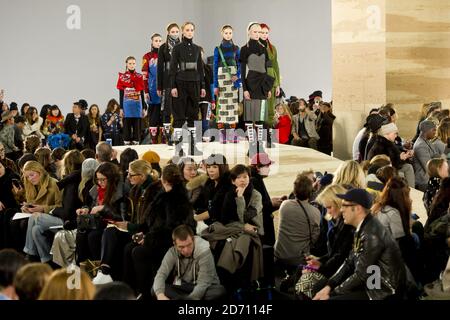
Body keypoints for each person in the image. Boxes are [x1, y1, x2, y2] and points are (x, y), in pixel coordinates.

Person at [313, 189, 406, 300]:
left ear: (357, 208)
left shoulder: (372, 234)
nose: (341, 209)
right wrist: (329, 285)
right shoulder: (363, 227)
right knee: (319, 287)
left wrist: (332, 293)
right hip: (372, 284)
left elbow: (361, 275)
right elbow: (349, 262)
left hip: (382, 291)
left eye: (344, 205)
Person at [130, 164, 196, 299]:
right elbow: (152, 223)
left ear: (163, 180)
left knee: (138, 252)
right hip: (163, 238)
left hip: (171, 242)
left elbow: (172, 228)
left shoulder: (172, 199)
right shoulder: (167, 196)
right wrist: (144, 233)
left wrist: (148, 238)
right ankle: (138, 290)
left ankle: (146, 292)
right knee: (130, 248)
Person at [304, 184, 354, 297]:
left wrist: (320, 267)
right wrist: (319, 261)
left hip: (343, 275)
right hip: (337, 270)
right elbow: (335, 254)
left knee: (306, 288)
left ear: (339, 203)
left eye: (329, 207)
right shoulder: (339, 222)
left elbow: (341, 258)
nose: (328, 212)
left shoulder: (348, 225)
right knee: (303, 283)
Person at [153, 224, 225, 300]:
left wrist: (191, 298)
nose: (186, 250)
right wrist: (160, 296)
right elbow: (161, 274)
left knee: (219, 291)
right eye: (181, 247)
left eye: (189, 245)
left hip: (204, 287)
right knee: (156, 289)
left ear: (193, 239)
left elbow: (203, 283)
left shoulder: (204, 251)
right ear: (174, 244)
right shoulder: (172, 252)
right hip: (185, 287)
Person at [75, 162, 126, 263]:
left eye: (103, 179)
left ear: (111, 178)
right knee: (81, 234)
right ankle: (84, 267)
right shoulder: (97, 189)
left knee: (93, 236)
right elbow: (92, 207)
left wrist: (103, 208)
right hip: (99, 223)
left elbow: (121, 218)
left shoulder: (120, 191)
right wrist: (85, 209)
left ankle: (98, 267)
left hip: (113, 226)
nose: (100, 182)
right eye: (98, 179)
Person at [169, 22, 206, 157]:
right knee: (179, 117)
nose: (189, 32)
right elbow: (173, 68)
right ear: (182, 32)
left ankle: (192, 147)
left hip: (195, 83)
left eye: (191, 30)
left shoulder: (197, 49)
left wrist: (202, 86)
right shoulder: (177, 48)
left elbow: (200, 69)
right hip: (180, 83)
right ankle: (178, 149)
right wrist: (173, 86)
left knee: (193, 116)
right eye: (187, 30)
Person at [240, 22, 274, 157]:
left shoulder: (264, 47)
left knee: (260, 118)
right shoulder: (244, 49)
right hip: (251, 82)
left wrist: (269, 87)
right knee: (249, 117)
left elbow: (267, 68)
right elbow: (242, 71)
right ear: (248, 32)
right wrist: (245, 88)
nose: (257, 34)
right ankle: (252, 146)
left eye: (259, 32)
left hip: (263, 84)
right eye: (255, 32)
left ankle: (259, 145)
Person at [274, 174, 321, 270]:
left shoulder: (284, 205)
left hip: (279, 254)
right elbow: (315, 239)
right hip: (298, 259)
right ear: (311, 192)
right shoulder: (315, 212)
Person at [21, 161, 62, 263]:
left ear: (40, 172)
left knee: (33, 217)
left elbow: (61, 207)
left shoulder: (54, 183)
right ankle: (47, 260)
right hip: (42, 218)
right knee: (36, 230)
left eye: (32, 174)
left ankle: (30, 253)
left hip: (57, 218)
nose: (30, 179)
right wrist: (27, 208)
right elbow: (33, 204)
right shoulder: (31, 186)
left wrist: (43, 208)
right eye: (27, 177)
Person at [213, 25, 241, 144]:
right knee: (222, 106)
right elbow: (214, 66)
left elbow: (240, 64)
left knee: (233, 106)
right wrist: (215, 85)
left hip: (233, 79)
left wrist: (238, 75)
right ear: (222, 33)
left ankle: (232, 133)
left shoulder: (236, 48)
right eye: (226, 33)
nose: (228, 35)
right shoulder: (217, 48)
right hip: (221, 79)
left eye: (230, 33)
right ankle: (222, 134)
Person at [368, 122, 415, 187]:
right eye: (395, 133)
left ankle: (410, 190)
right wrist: (401, 158)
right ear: (387, 133)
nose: (396, 136)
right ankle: (410, 191)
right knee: (407, 169)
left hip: (388, 169)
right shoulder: (380, 147)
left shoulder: (387, 143)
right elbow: (386, 166)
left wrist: (403, 156)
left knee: (408, 167)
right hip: (381, 173)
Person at [157, 23, 181, 146]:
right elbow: (159, 68)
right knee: (167, 110)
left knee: (179, 110)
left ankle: (177, 137)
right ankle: (167, 137)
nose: (175, 34)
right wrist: (159, 86)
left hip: (180, 81)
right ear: (168, 32)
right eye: (173, 31)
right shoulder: (163, 48)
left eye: (177, 31)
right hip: (167, 82)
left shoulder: (182, 46)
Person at [117, 56, 146, 145]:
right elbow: (121, 93)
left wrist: (144, 107)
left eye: (133, 63)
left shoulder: (139, 76)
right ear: (126, 64)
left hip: (137, 106)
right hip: (127, 106)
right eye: (130, 63)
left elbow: (142, 93)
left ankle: (137, 146)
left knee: (137, 129)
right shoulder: (122, 77)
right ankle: (126, 147)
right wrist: (121, 108)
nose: (132, 65)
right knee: (126, 129)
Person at [143, 33, 163, 145]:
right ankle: (154, 140)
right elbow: (144, 76)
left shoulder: (166, 55)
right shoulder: (147, 57)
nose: (158, 43)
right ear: (152, 42)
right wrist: (146, 91)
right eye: (156, 41)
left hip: (165, 90)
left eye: (160, 41)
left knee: (165, 115)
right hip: (152, 90)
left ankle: (165, 139)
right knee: (154, 116)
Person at [259, 23, 281, 127]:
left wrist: (278, 85)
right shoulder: (254, 46)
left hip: (271, 78)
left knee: (271, 109)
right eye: (262, 32)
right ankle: (261, 138)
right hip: (259, 79)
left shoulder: (273, 48)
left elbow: (276, 66)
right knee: (261, 109)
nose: (264, 34)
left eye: (266, 32)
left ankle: (271, 139)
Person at [413, 120, 442, 191]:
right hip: (424, 181)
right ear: (426, 131)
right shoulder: (420, 145)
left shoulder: (427, 141)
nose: (435, 133)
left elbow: (437, 156)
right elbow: (428, 167)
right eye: (434, 130)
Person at [0, 161, 20, 249]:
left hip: (14, 207)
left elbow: (18, 198)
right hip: (3, 209)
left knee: (6, 215)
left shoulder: (12, 177)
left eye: (0, 167)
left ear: (3, 166)